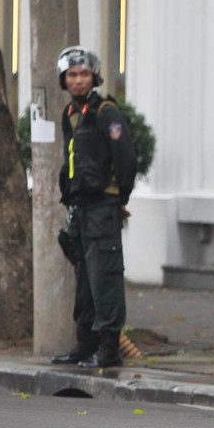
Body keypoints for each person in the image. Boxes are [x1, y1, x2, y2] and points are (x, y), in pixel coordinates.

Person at [51, 46, 137, 369]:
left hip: (103, 206)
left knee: (105, 277)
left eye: (84, 74)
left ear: (94, 77)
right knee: (85, 280)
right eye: (72, 75)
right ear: (64, 79)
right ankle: (85, 345)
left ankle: (109, 348)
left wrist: (120, 198)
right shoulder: (70, 114)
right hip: (80, 207)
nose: (78, 80)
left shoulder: (106, 112)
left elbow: (126, 158)